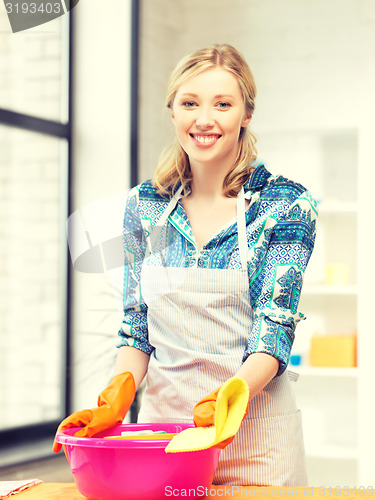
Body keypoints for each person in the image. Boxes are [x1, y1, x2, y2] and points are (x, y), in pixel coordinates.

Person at [53, 44, 318, 486]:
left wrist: (233, 394)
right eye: (190, 103)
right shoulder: (147, 205)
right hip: (164, 440)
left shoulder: (284, 204)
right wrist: (116, 397)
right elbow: (138, 323)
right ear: (173, 111)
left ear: (246, 113)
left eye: (223, 104)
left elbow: (275, 325)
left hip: (256, 441)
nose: (204, 119)